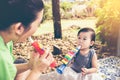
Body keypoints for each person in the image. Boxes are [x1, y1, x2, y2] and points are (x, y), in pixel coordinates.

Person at [0, 0, 54, 80]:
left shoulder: (6, 41)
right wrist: (37, 71)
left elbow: (7, 69)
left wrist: (29, 65)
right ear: (19, 28)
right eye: (38, 24)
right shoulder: (2, 58)